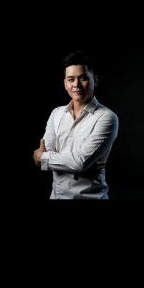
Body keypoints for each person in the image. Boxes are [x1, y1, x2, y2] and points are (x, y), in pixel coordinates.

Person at [33, 51, 119, 199]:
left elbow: (80, 162)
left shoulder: (107, 117)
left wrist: (44, 158)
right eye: (71, 79)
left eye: (83, 78)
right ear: (65, 83)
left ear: (95, 80)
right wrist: (49, 158)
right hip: (56, 196)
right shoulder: (56, 113)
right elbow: (47, 151)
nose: (76, 85)